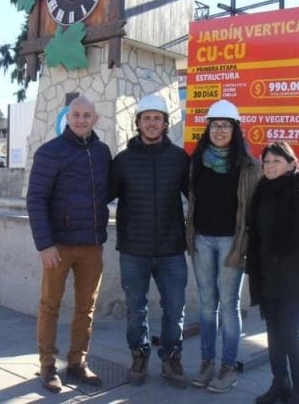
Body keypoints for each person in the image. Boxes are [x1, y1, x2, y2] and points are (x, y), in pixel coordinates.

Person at [26, 96, 112, 394]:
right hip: (58, 248)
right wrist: (45, 244)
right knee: (50, 306)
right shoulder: (50, 152)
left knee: (85, 308)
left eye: (87, 115)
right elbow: (35, 199)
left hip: (91, 246)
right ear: (68, 116)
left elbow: (108, 191)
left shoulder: (102, 152)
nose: (81, 119)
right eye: (76, 114)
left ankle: (77, 362)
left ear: (95, 119)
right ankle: (48, 366)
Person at [109, 94, 191, 388]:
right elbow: (101, 195)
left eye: (157, 118)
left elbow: (199, 197)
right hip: (133, 249)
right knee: (136, 309)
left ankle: (171, 358)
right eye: (147, 118)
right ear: (138, 123)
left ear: (166, 123)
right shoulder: (123, 161)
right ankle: (139, 356)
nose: (152, 123)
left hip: (171, 250)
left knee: (175, 308)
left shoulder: (180, 158)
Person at [186, 99, 261, 393]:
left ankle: (228, 367)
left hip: (232, 242)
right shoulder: (197, 160)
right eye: (215, 125)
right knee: (206, 305)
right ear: (208, 129)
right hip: (202, 240)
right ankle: (207, 363)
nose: (219, 130)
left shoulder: (247, 166)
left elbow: (253, 209)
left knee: (228, 307)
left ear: (235, 129)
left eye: (225, 125)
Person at [246, 141, 299, 404]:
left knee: (290, 333)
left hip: (295, 278)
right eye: (266, 161)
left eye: (276, 161)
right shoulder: (262, 192)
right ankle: (280, 383)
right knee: (273, 333)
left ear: (291, 164)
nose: (269, 166)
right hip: (268, 275)